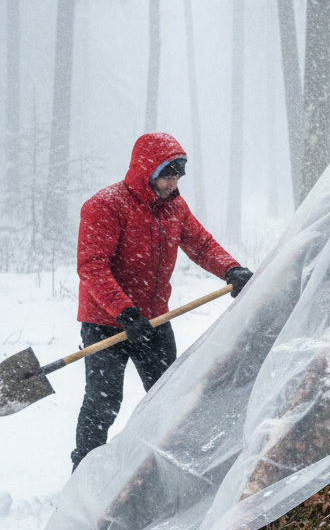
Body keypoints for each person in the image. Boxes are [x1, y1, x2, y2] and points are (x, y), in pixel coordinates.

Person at [73, 132, 253, 471]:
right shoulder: (106, 205)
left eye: (179, 175)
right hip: (106, 322)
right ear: (147, 170)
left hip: (153, 321)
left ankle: (174, 466)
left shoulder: (175, 207)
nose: (174, 183)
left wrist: (231, 269)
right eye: (168, 174)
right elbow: (91, 266)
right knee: (103, 402)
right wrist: (124, 310)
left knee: (169, 397)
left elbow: (200, 244)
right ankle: (82, 470)